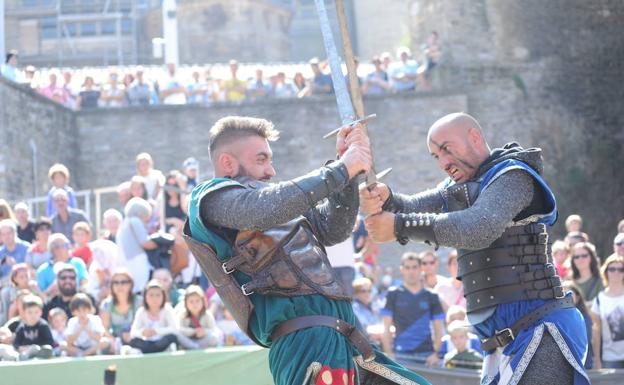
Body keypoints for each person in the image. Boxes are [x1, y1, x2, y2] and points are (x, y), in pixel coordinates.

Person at [183, 116, 429, 385]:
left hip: (349, 342)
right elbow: (262, 208)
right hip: (304, 344)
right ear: (227, 163)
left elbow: (333, 228)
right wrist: (342, 169)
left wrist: (344, 169)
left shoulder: (278, 201)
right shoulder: (210, 198)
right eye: (261, 159)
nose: (271, 171)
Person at [360, 112, 588, 385]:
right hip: (501, 344)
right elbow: (414, 207)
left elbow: (478, 227)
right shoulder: (457, 188)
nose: (443, 162)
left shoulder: (513, 176)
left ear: (475, 137)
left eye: (447, 149)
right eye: (436, 156)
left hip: (541, 332)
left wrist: (398, 225)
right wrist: (387, 199)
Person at [381, 253, 444, 367]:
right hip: (400, 355)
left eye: (415, 267)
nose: (411, 271)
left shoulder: (432, 295)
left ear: (421, 269)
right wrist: (389, 354)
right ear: (402, 269)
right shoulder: (393, 294)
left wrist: (435, 354)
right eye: (407, 267)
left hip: (427, 356)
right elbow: (385, 329)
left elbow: (439, 330)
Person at [116, 198, 159, 292]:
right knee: (141, 289)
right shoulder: (135, 220)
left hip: (126, 261)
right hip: (138, 261)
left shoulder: (124, 224)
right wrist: (159, 243)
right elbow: (145, 242)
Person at [590, 254, 624, 369]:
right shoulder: (599, 299)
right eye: (612, 269)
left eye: (621, 269)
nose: (616, 272)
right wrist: (597, 360)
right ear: (606, 272)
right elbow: (596, 331)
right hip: (610, 357)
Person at [129, 279, 178, 353]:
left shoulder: (167, 309)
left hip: (161, 342)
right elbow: (133, 332)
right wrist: (143, 332)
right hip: (146, 342)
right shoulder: (141, 311)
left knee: (171, 338)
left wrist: (157, 331)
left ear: (163, 296)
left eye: (158, 295)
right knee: (133, 341)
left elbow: (174, 329)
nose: (154, 298)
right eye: (151, 295)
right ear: (145, 297)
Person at [100, 269, 141, 354]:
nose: (119, 285)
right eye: (116, 282)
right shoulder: (107, 304)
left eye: (123, 282)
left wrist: (132, 334)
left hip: (136, 338)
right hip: (115, 341)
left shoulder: (139, 301)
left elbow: (143, 323)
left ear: (130, 284)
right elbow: (104, 328)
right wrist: (113, 340)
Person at [175, 284, 220, 349]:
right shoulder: (182, 314)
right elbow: (178, 329)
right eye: (191, 301)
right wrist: (193, 331)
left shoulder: (207, 314)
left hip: (203, 341)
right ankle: (194, 347)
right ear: (186, 302)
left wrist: (204, 331)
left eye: (197, 301)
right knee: (177, 335)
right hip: (188, 341)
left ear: (203, 301)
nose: (194, 304)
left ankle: (196, 347)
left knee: (214, 336)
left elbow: (213, 330)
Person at [12, 294, 55, 360]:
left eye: (36, 312)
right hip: (25, 351)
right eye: (29, 312)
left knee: (39, 348)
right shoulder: (22, 327)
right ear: (24, 313)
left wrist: (36, 347)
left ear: (41, 312)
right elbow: (16, 343)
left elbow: (50, 342)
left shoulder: (43, 326)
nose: (33, 315)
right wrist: (23, 348)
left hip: (40, 353)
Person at [564, 282, 593, 369]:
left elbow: (584, 340)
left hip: (583, 363)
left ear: (578, 297)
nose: (566, 297)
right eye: (563, 294)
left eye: (570, 294)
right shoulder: (559, 318)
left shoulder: (583, 317)